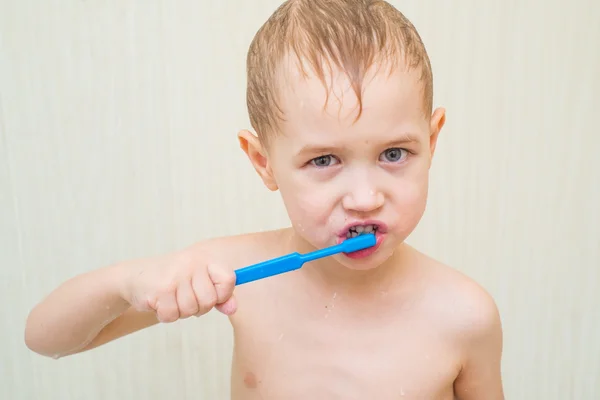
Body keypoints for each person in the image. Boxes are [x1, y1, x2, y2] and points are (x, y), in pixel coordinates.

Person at [25, 0, 505, 398]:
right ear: (263, 163)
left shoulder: (464, 314)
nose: (364, 198)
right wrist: (127, 281)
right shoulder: (233, 275)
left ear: (433, 140)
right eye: (323, 161)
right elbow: (46, 339)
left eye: (394, 153)